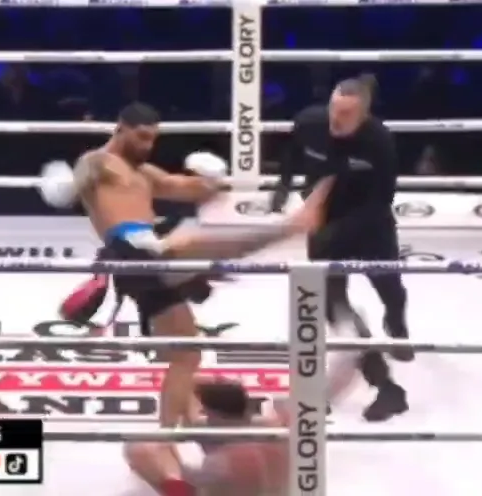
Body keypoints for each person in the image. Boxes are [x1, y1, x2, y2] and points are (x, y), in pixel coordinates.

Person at [37, 102, 336, 495]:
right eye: (140, 137)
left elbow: (184, 188)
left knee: (186, 354)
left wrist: (212, 179)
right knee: (188, 244)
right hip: (130, 250)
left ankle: (166, 437)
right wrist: (66, 184)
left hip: (147, 257)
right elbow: (79, 179)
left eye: (152, 139)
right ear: (121, 129)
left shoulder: (144, 173)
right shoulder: (98, 162)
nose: (147, 146)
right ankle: (291, 227)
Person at [271, 75, 409, 422]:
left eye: (346, 114)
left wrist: (335, 229)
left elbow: (381, 200)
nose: (336, 118)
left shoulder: (379, 141)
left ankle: (396, 322)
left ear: (363, 114)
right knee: (333, 306)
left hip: (370, 226)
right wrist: (283, 185)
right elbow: (291, 152)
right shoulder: (310, 122)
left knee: (389, 288)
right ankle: (385, 386)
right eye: (334, 108)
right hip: (324, 224)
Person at [123, 378, 293, 496]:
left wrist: (170, 472)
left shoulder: (221, 462)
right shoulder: (270, 432)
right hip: (271, 484)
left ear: (209, 413)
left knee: (141, 451)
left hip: (224, 483)